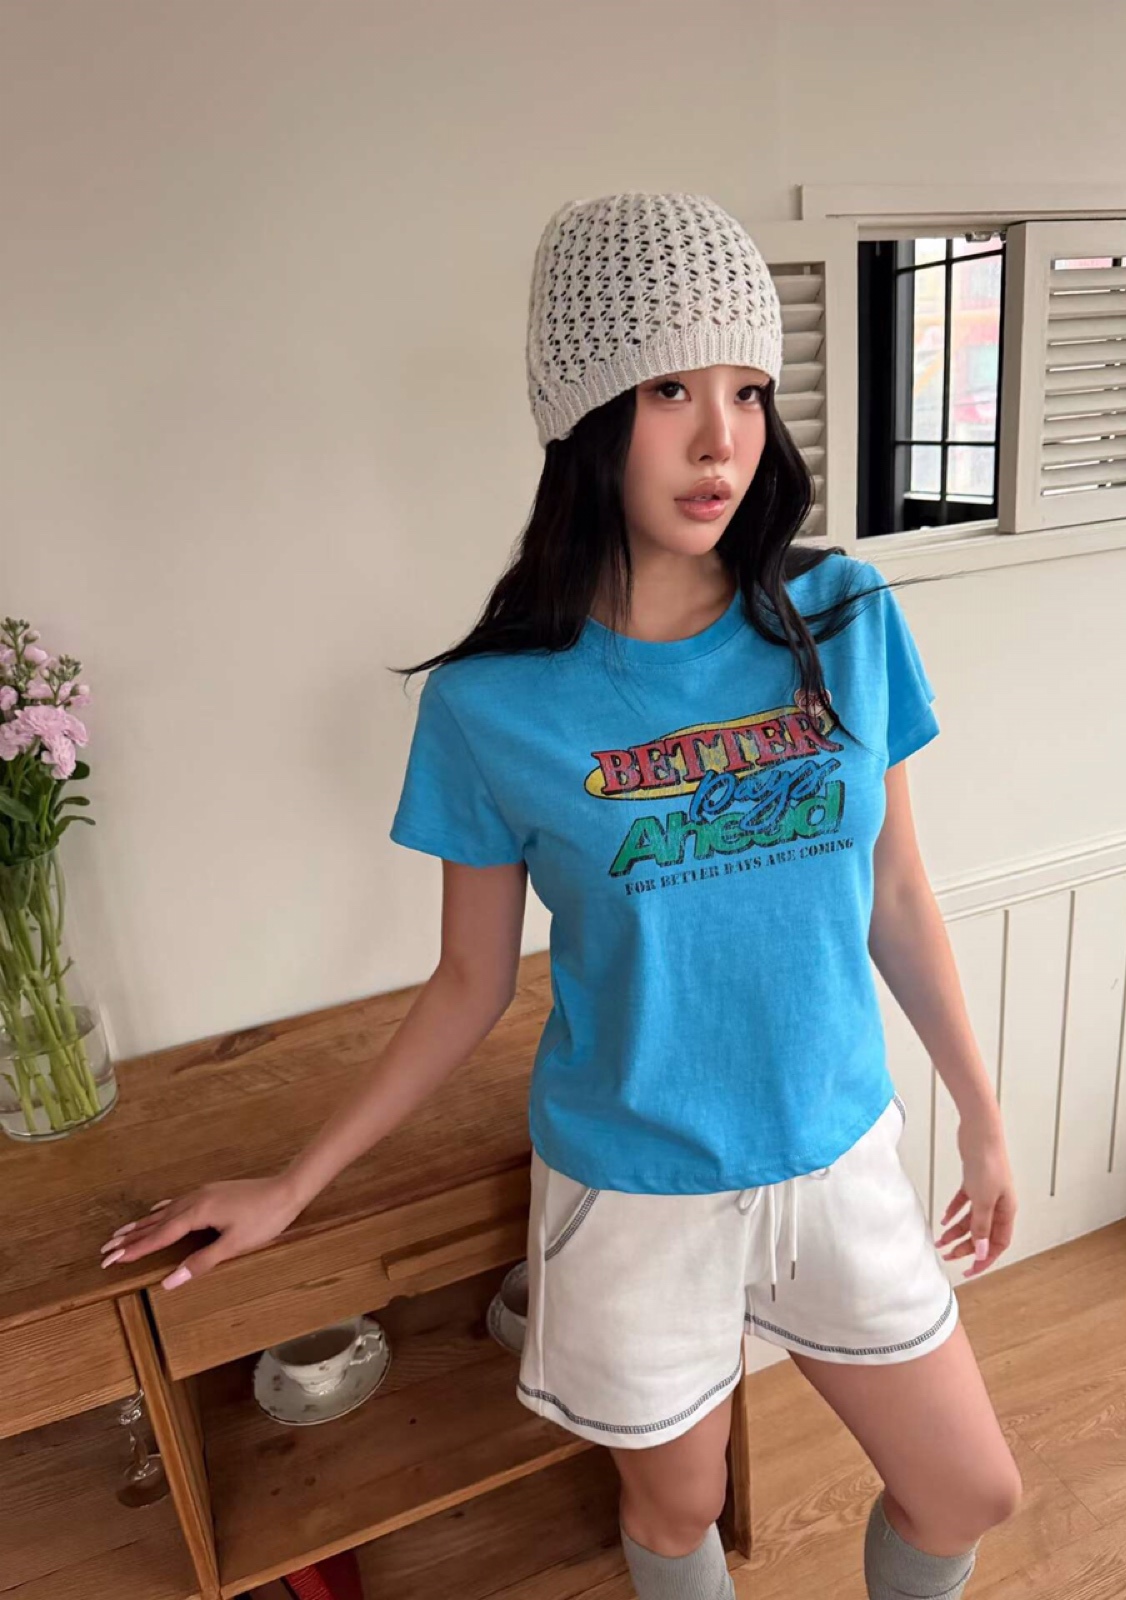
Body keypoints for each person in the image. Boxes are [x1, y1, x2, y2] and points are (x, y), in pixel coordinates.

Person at [98, 192, 1021, 1600]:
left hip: (837, 1151)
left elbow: (896, 888)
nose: (722, 442)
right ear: (587, 415)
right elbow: (470, 983)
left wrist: (983, 1114)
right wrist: (293, 1184)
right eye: (670, 391)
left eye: (747, 390)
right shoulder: (493, 704)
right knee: (677, 1506)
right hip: (637, 1191)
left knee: (968, 1488)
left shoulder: (843, 616)